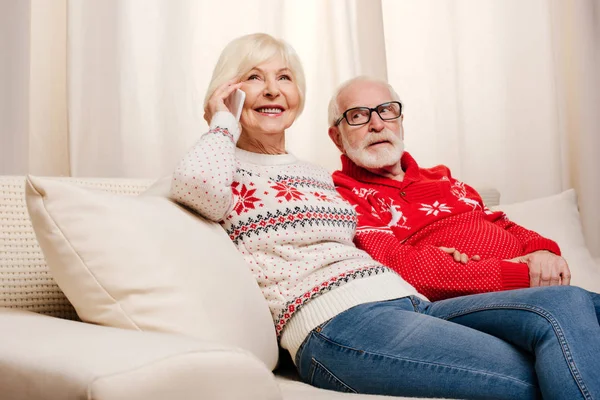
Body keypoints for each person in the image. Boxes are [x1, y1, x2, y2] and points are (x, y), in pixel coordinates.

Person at [170, 33, 600, 399]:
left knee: (572, 308)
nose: (271, 89)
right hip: (337, 324)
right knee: (552, 368)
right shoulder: (223, 161)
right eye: (253, 77)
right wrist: (221, 121)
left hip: (407, 304)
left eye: (284, 77)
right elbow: (195, 189)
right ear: (229, 88)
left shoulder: (316, 176)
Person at [328, 76, 572, 301]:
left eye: (386, 111)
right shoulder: (343, 194)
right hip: (472, 303)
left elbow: (503, 224)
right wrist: (520, 274)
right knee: (572, 306)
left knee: (584, 307)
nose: (377, 124)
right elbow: (399, 266)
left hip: (532, 289)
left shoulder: (441, 178)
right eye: (358, 116)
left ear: (401, 122)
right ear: (337, 137)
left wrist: (543, 253)